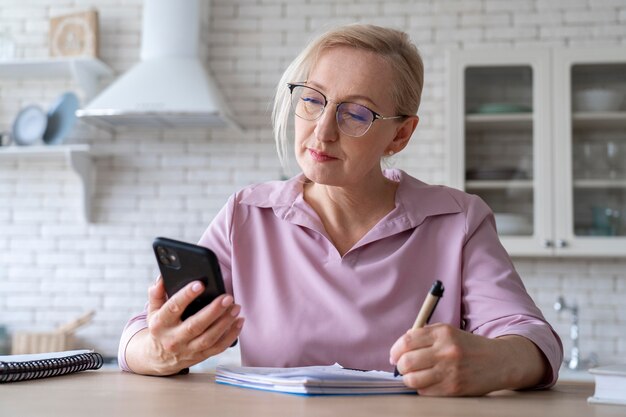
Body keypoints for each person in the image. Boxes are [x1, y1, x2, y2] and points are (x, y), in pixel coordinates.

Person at [118, 24, 563, 396]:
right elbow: (140, 332)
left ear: (400, 135)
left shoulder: (457, 220)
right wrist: (160, 349)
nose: (323, 130)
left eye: (357, 114)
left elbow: (533, 338)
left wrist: (497, 362)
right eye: (312, 99)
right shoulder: (246, 214)